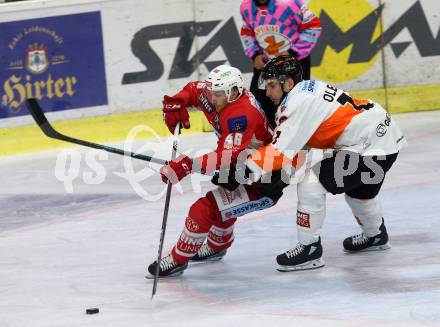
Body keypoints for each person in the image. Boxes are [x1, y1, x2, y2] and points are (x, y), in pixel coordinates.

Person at [245, 55, 407, 271]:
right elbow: (297, 147)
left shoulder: (295, 103)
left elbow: (279, 152)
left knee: (311, 182)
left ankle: (309, 250)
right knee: (360, 192)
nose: (268, 92)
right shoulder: (308, 89)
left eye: (273, 85)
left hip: (369, 146)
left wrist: (243, 169)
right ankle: (376, 235)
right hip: (382, 138)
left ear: (289, 83)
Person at [147, 64, 287, 277]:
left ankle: (177, 260)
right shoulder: (218, 93)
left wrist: (187, 165)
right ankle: (217, 246)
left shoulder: (242, 114)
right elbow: (195, 89)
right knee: (222, 202)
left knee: (204, 209)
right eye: (213, 93)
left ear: (234, 92)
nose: (213, 99)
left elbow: (224, 157)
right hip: (242, 167)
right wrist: (176, 103)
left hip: (265, 181)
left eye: (219, 95)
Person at [240, 0, 322, 127]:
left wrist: (293, 53)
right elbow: (247, 32)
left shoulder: (290, 3)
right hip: (266, 64)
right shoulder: (246, 7)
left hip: (295, 63)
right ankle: (270, 141)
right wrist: (255, 54)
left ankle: (299, 138)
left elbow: (313, 25)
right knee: (257, 105)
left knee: (296, 104)